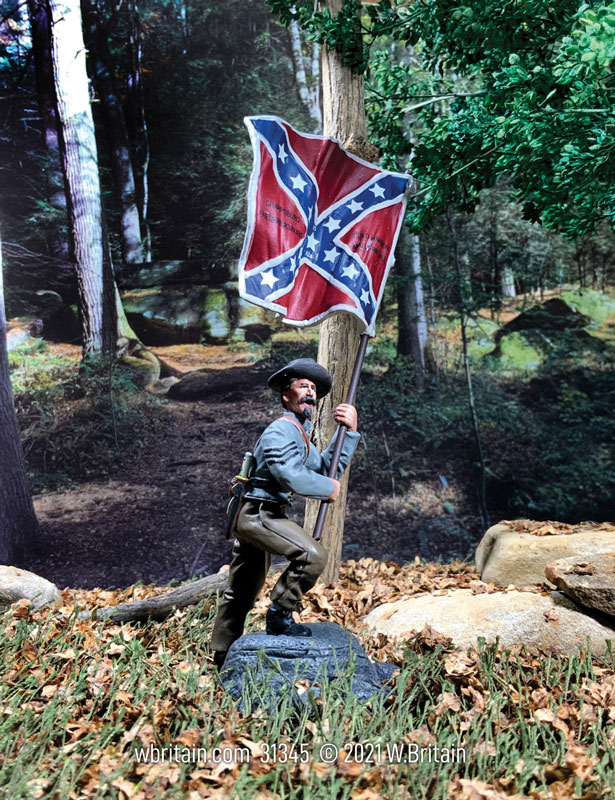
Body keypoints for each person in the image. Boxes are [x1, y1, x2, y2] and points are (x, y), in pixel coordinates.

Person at [210, 357, 360, 668]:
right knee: (312, 556)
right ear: (285, 395)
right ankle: (279, 614)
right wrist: (328, 488)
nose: (310, 393)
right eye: (303, 386)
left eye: (314, 389)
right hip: (257, 513)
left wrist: (347, 433)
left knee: (242, 589)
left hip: (264, 513)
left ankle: (223, 652)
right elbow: (289, 474)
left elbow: (323, 467)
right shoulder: (282, 430)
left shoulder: (301, 434)